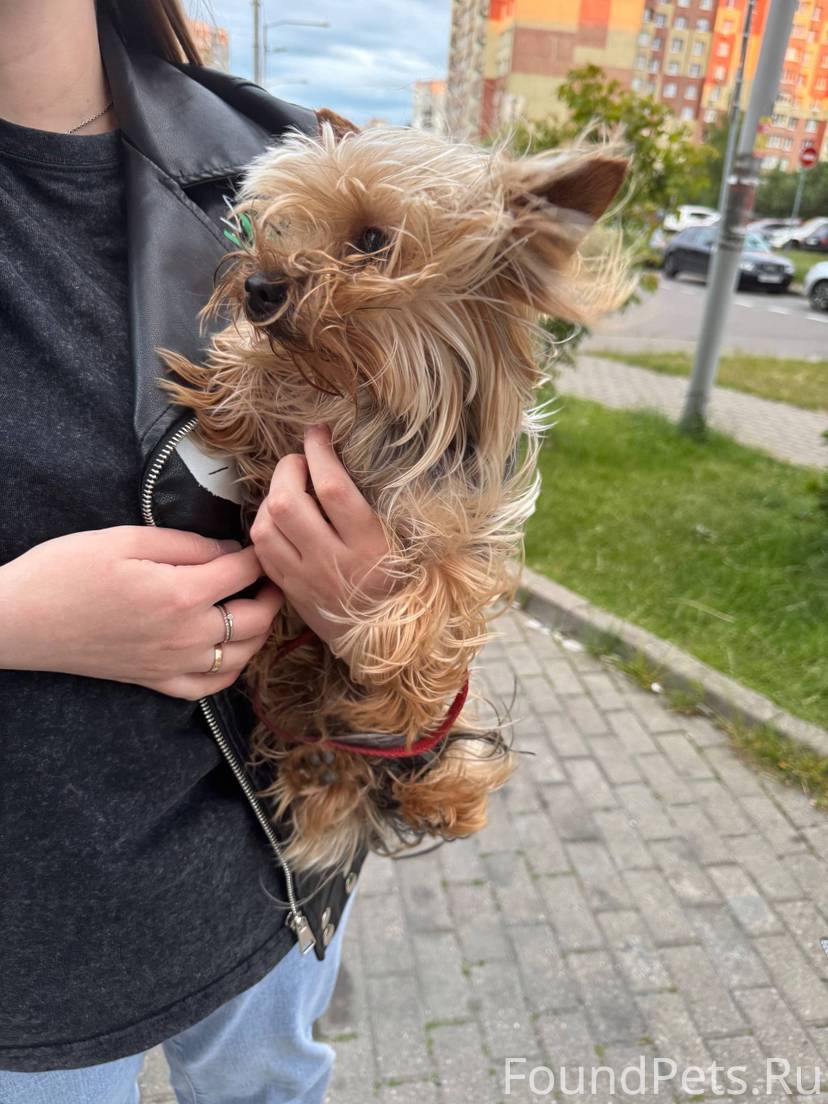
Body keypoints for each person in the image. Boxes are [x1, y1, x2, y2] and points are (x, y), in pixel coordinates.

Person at [0, 2, 403, 1100]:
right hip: (26, 989)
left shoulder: (298, 172)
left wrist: (385, 618)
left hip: (271, 887)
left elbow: (443, 510)